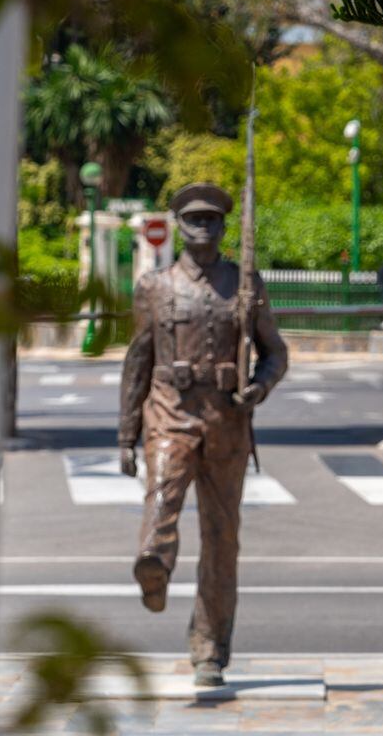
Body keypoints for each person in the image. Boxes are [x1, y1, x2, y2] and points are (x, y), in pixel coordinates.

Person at [118, 182, 287, 687]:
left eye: (212, 219)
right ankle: (154, 564)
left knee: (221, 540)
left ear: (223, 227)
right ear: (178, 226)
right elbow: (137, 363)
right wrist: (126, 435)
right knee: (161, 500)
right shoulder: (155, 286)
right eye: (193, 219)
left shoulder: (245, 283)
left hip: (228, 423)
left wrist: (259, 386)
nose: (203, 227)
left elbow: (275, 351)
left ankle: (209, 649)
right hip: (170, 414)